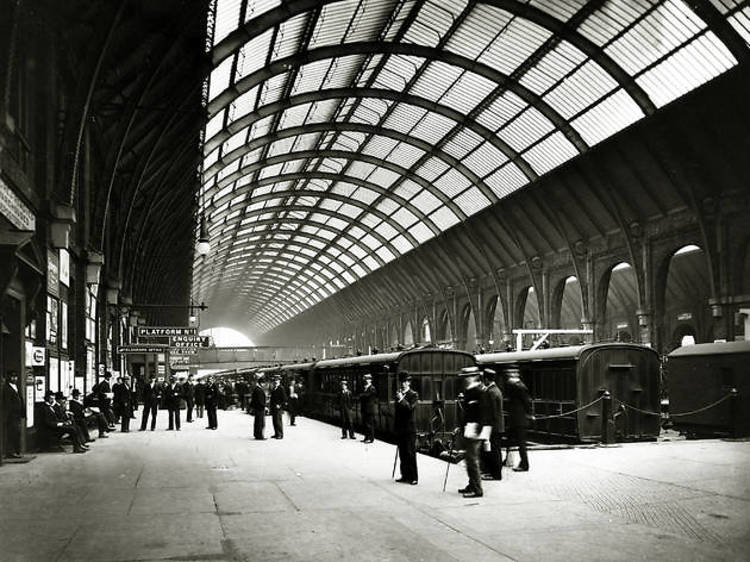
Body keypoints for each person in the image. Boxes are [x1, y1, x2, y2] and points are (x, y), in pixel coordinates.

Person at [457, 366, 491, 498]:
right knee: (469, 459)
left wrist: (480, 430)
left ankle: (477, 489)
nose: (465, 380)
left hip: (475, 430)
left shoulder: (479, 392)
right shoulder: (471, 391)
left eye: (466, 377)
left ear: (473, 377)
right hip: (469, 429)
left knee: (472, 460)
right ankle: (471, 484)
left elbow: (483, 413)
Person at [505, 367, 532, 472]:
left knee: (521, 443)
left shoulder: (520, 387)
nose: (508, 378)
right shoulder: (514, 386)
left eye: (510, 375)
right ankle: (509, 459)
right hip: (515, 419)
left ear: (514, 375)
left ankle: (525, 464)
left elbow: (526, 402)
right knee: (510, 440)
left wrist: (529, 414)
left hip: (519, 420)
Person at [394, 373, 418, 485]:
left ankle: (413, 477)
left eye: (405, 382)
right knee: (402, 453)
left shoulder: (414, 395)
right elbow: (397, 413)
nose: (403, 384)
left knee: (410, 453)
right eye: (402, 382)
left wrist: (401, 399)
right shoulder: (398, 394)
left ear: (409, 382)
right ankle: (404, 475)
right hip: (401, 428)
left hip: (410, 429)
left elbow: (409, 409)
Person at [481, 368, 504, 481]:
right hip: (497, 426)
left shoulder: (490, 392)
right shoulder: (497, 390)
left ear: (486, 379)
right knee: (496, 450)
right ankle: (495, 473)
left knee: (493, 451)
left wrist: (487, 427)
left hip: (492, 427)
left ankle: (495, 474)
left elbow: (491, 412)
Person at [2, 370, 24, 458]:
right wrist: (8, 415)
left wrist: (22, 413)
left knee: (16, 433)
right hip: (11, 416)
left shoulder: (16, 387)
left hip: (17, 415)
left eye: (15, 376)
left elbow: (20, 400)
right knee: (12, 433)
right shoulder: (7, 388)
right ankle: (10, 452)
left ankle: (16, 451)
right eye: (12, 376)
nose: (14, 378)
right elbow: (7, 403)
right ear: (8, 377)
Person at [359, 373, 377, 443]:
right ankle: (366, 437)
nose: (366, 381)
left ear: (370, 380)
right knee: (365, 424)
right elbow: (363, 396)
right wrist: (362, 395)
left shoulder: (372, 388)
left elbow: (367, 396)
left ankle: (371, 438)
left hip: (369, 410)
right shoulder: (365, 388)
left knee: (370, 425)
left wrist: (362, 395)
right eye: (365, 379)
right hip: (365, 409)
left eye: (368, 379)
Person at [269, 375, 287, 439]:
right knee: (274, 421)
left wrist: (280, 405)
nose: (275, 381)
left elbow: (284, 399)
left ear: (279, 380)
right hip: (273, 407)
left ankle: (280, 434)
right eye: (275, 380)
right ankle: (276, 433)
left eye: (277, 380)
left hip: (278, 407)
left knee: (278, 421)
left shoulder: (281, 388)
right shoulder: (274, 388)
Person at [249, 373, 266, 439]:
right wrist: (265, 406)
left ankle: (256, 434)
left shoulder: (256, 389)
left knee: (257, 422)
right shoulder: (259, 390)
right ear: (260, 383)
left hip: (257, 408)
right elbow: (260, 401)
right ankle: (260, 436)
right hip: (260, 408)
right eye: (263, 383)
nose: (264, 384)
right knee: (260, 423)